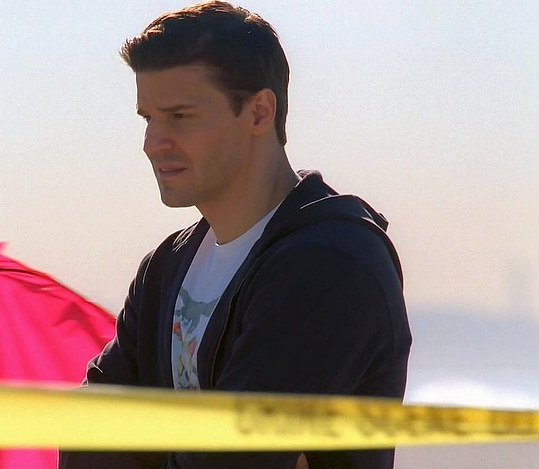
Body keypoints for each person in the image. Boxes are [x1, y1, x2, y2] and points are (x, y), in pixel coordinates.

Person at [60, 2, 411, 468]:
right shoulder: (165, 268)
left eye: (180, 116)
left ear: (259, 113)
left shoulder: (332, 264)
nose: (153, 143)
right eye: (148, 118)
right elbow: (83, 436)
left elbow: (235, 462)